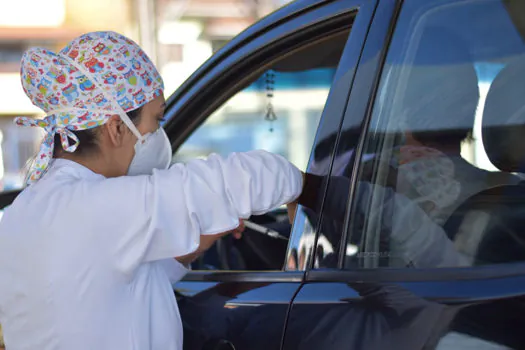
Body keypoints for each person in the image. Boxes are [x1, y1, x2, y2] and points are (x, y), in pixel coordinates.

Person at [0, 31, 304, 350]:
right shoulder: (99, 207)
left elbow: (111, 287)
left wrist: (198, 240)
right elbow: (244, 178)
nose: (159, 134)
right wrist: (304, 186)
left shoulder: (24, 210)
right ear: (117, 128)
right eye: (156, 120)